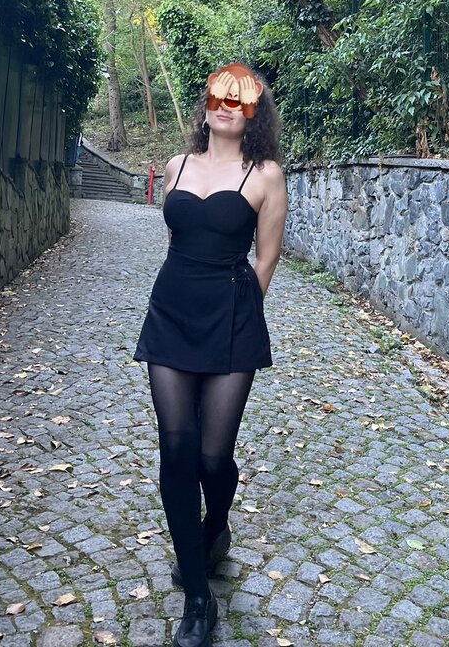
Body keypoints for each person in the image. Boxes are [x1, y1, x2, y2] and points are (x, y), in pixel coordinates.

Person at [133, 63, 288, 647]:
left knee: (213, 457)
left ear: (253, 112)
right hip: (171, 311)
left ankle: (216, 525)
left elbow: (266, 258)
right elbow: (178, 237)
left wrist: (242, 313)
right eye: (218, 96)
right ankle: (198, 598)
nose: (226, 105)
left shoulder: (265, 174)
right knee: (176, 449)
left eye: (239, 100)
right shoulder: (177, 166)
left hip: (232, 319)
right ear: (205, 104)